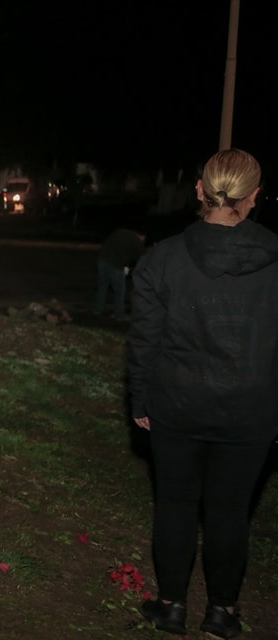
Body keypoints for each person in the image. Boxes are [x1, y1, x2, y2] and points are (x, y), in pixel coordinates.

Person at [128, 148, 278, 639]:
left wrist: (141, 401)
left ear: (198, 190)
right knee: (231, 512)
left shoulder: (161, 258)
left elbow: (145, 339)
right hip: (252, 410)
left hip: (177, 405)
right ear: (254, 196)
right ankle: (222, 614)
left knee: (174, 505)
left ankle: (171, 607)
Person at [93, 227, 146, 320]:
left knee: (102, 287)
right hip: (115, 266)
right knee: (120, 291)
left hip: (101, 261)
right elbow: (142, 259)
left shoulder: (120, 232)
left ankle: (97, 310)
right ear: (142, 236)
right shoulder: (137, 241)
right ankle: (119, 315)